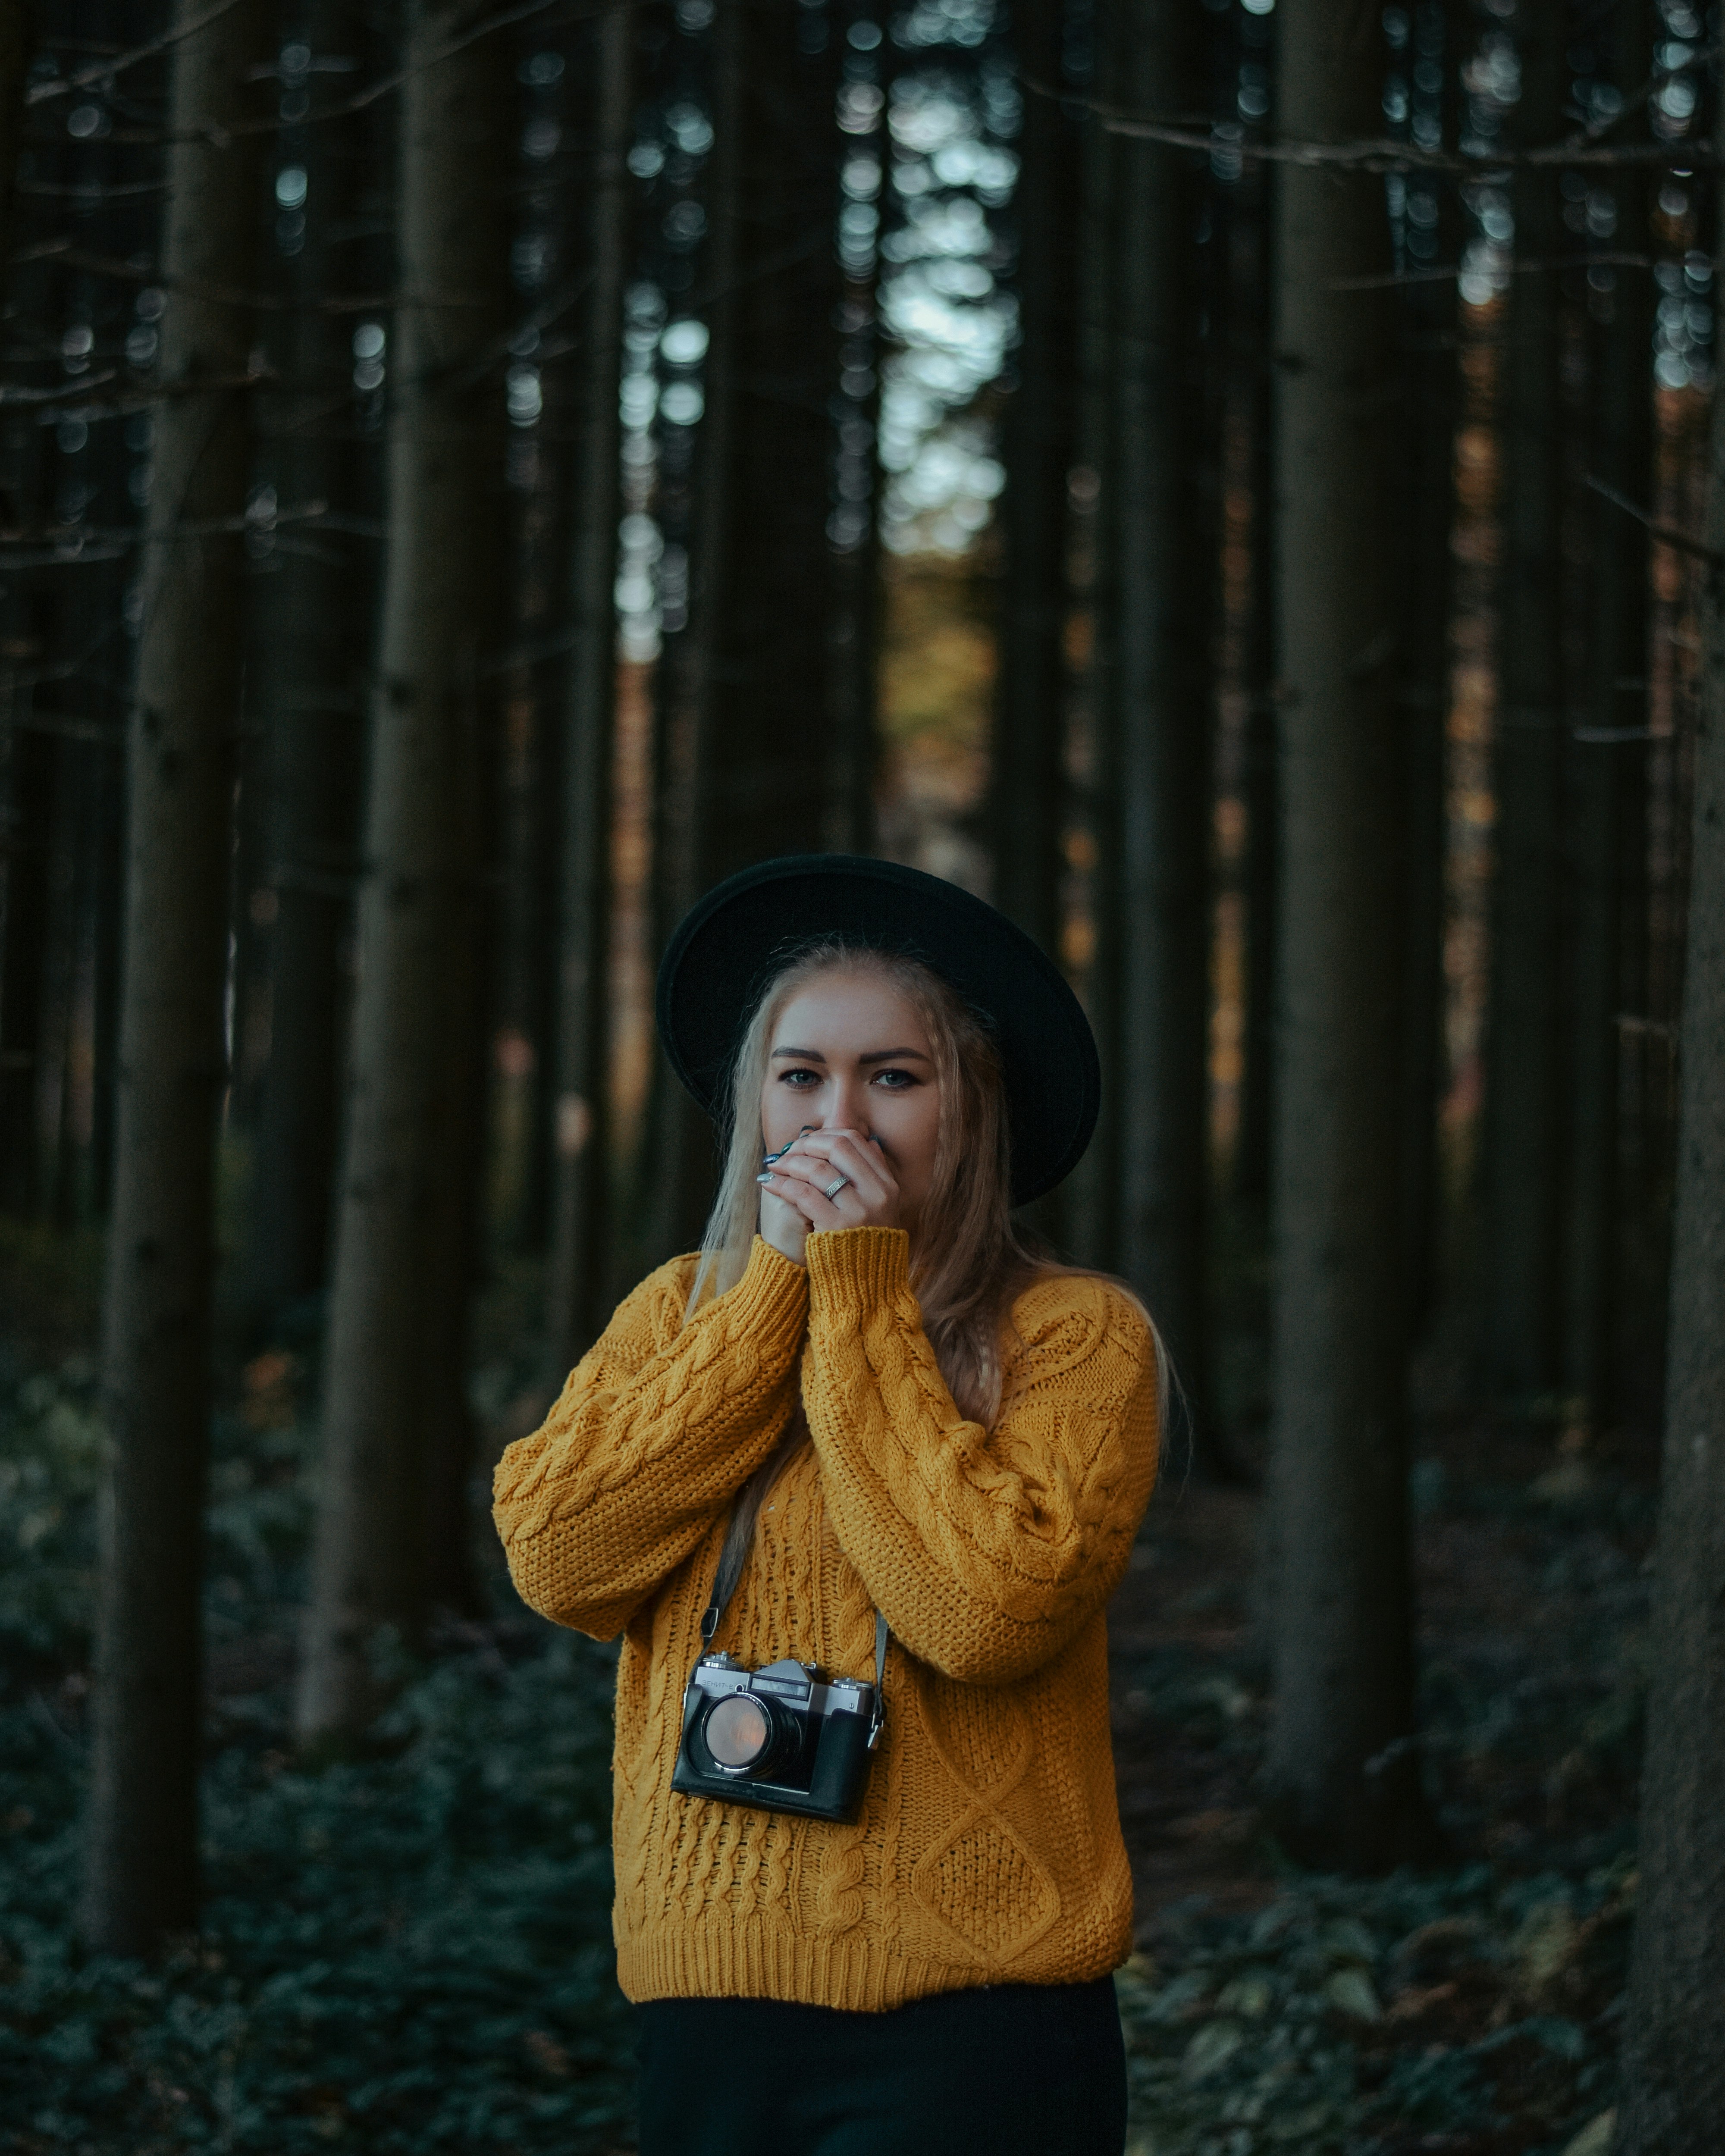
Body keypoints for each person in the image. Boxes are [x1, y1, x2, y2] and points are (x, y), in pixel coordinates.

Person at [493, 855, 1162, 2156]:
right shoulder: (676, 1314)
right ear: (755, 1101)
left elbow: (986, 1615)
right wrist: (768, 1306)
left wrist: (860, 1294)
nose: (835, 1120)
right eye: (801, 1077)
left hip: (981, 2018)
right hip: (708, 2008)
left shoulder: (1074, 1337)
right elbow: (561, 1559)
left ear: (970, 1109)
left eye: (893, 1078)